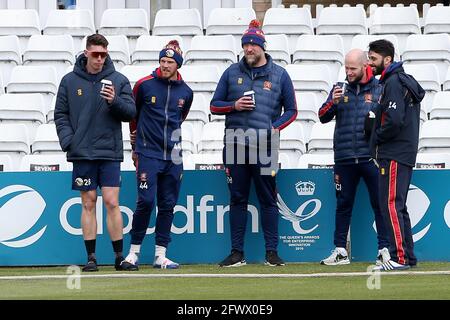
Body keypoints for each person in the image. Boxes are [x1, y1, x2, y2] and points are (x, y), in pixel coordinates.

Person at [210, 20, 297, 267]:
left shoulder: (279, 74)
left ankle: (272, 252)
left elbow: (292, 110)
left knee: (268, 198)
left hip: (266, 147)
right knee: (237, 198)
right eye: (245, 44)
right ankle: (237, 252)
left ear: (262, 47)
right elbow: (214, 105)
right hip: (235, 143)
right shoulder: (231, 73)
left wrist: (274, 127)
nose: (248, 49)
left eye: (252, 44)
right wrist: (234, 106)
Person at [54, 33, 136, 271]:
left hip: (109, 151)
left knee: (112, 202)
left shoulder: (118, 80)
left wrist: (114, 101)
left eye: (104, 55)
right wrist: (69, 141)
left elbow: (130, 112)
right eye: (95, 54)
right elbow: (60, 114)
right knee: (88, 203)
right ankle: (91, 258)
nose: (99, 59)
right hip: (82, 153)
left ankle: (119, 257)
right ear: (86, 52)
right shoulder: (69, 81)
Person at [123, 40, 193, 270]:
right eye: (162, 61)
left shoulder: (186, 92)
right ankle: (133, 253)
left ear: (178, 65)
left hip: (173, 156)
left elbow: (179, 118)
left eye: (170, 62)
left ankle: (160, 255)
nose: (164, 65)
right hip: (148, 152)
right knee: (145, 202)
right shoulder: (144, 85)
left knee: (168, 205)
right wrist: (135, 144)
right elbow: (133, 115)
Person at [318, 49, 390, 266]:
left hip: (371, 158)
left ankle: (384, 249)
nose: (348, 72)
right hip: (344, 157)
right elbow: (322, 116)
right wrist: (333, 102)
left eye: (352, 68)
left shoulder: (380, 89)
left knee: (379, 204)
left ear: (364, 66)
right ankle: (340, 250)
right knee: (343, 204)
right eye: (346, 67)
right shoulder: (339, 89)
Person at [367, 39, 425, 271]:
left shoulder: (392, 83)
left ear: (387, 59)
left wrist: (376, 138)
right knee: (398, 205)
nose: (370, 63)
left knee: (390, 204)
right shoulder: (399, 81)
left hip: (394, 152)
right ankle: (407, 256)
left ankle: (399, 257)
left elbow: (393, 121)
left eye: (373, 59)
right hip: (403, 151)